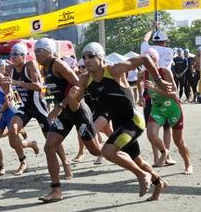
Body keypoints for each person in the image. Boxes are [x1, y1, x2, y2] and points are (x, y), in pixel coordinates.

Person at [70, 42, 171, 201]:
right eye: (84, 57)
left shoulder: (113, 70)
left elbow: (144, 59)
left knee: (108, 151)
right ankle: (158, 183)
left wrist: (158, 80)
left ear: (101, 57)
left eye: (91, 56)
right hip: (119, 125)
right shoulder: (84, 79)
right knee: (136, 160)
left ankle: (141, 175)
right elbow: (75, 106)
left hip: (133, 121)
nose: (86, 60)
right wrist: (72, 97)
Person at [35, 38, 101, 203]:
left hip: (77, 110)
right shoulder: (45, 68)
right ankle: (56, 190)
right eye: (35, 51)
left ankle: (131, 156)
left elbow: (78, 86)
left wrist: (61, 105)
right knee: (49, 147)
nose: (36, 54)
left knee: (97, 151)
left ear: (49, 50)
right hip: (64, 115)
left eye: (39, 50)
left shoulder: (58, 64)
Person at [5, 42, 69, 176]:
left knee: (52, 139)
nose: (13, 57)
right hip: (26, 107)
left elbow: (39, 86)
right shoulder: (10, 69)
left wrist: (17, 83)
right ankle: (23, 161)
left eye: (16, 54)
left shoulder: (30, 65)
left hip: (39, 107)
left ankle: (65, 162)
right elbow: (9, 88)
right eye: (11, 54)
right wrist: (9, 93)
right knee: (12, 130)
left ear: (24, 56)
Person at [139, 48, 192, 175]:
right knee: (151, 135)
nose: (146, 63)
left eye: (149, 60)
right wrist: (141, 97)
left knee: (178, 141)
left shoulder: (165, 72)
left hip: (173, 109)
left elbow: (174, 94)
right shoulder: (142, 74)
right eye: (145, 61)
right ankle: (165, 151)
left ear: (155, 60)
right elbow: (138, 83)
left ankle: (188, 164)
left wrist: (155, 88)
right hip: (157, 109)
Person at [0, 57, 38, 176]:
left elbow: (10, 95)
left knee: (13, 143)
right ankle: (0, 167)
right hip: (0, 112)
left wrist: (1, 111)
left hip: (10, 111)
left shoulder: (0, 78)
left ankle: (23, 162)